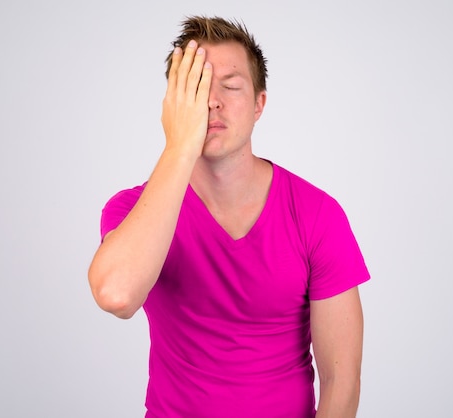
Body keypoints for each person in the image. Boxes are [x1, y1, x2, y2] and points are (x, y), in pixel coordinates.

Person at [88, 16, 370, 418]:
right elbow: (117, 295)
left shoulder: (318, 215)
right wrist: (180, 146)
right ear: (174, 103)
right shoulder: (132, 210)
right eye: (196, 87)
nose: (211, 101)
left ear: (259, 104)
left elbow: (342, 382)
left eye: (231, 86)